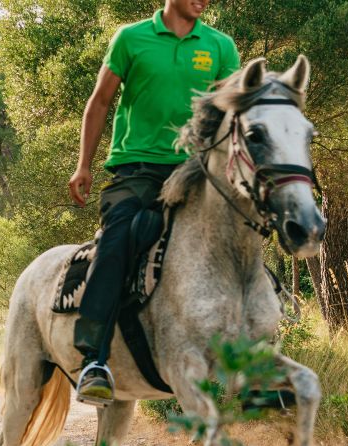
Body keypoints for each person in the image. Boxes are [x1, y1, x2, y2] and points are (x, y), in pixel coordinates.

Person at [68, 0, 241, 404]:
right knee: (119, 240)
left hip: (198, 170)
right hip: (137, 169)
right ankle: (94, 359)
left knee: (241, 233)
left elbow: (233, 111)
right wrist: (83, 166)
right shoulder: (131, 38)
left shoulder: (220, 46)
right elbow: (100, 101)